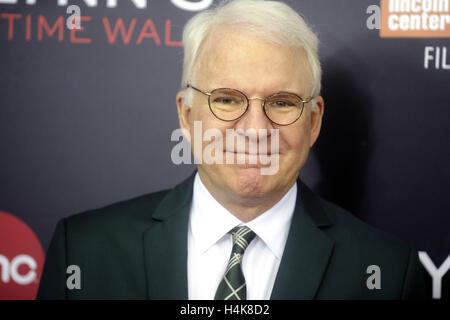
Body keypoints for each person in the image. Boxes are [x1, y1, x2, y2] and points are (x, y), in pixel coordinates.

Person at [37, 0, 426, 300]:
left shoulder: (389, 273)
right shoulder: (84, 250)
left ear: (313, 120)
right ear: (187, 116)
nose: (256, 131)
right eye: (226, 99)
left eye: (282, 102)